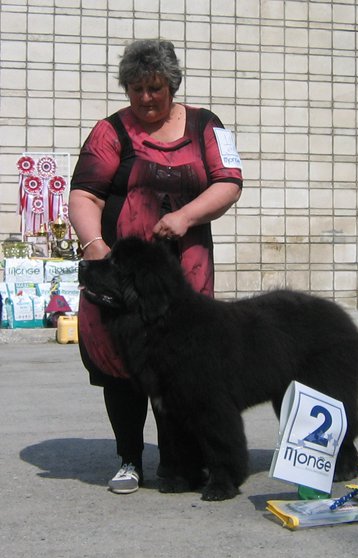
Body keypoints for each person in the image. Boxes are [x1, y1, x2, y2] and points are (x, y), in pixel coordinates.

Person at [69, 39, 243, 494]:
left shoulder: (207, 125)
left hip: (186, 271)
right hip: (120, 271)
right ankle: (129, 458)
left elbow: (230, 181)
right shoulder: (109, 132)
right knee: (120, 361)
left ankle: (179, 461)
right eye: (136, 88)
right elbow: (84, 195)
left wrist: (186, 216)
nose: (145, 98)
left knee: (181, 366)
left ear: (171, 84)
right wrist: (94, 246)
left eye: (154, 88)